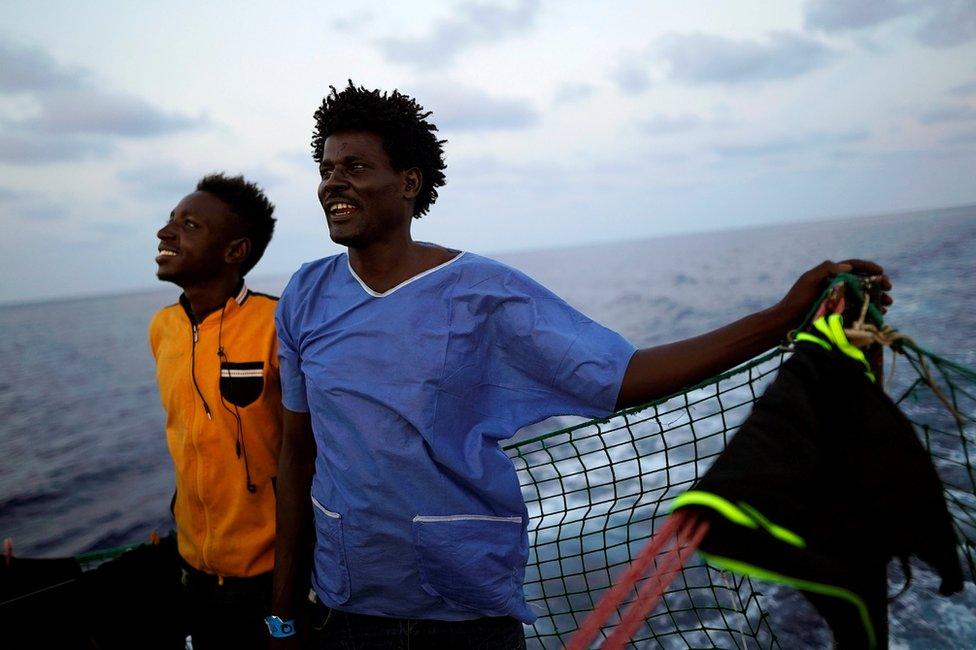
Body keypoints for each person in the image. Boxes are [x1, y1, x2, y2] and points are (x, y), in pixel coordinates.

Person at [269, 82, 891, 649]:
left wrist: (783, 316)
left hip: (460, 614)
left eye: (355, 167)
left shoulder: (485, 293)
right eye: (326, 170)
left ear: (408, 182)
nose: (332, 183)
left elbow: (624, 378)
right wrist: (282, 611)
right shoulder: (305, 295)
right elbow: (298, 457)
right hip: (342, 606)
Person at [150, 173, 281, 649]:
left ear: (234, 251)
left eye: (189, 225)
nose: (166, 233)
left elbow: (312, 450)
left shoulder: (276, 325)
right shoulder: (162, 328)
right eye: (170, 221)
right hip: (194, 571)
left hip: (272, 577)